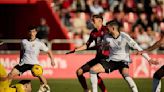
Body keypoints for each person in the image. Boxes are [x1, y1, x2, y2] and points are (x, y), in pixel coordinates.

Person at [89, 20, 158, 92]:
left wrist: (149, 59)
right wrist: (91, 46)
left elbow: (138, 48)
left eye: (107, 28)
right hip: (112, 60)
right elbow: (99, 44)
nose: (106, 29)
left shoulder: (125, 37)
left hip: (123, 60)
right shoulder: (106, 37)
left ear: (113, 28)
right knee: (92, 70)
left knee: (125, 74)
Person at [67, 15, 108, 92]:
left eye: (94, 21)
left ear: (100, 21)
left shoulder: (107, 30)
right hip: (98, 58)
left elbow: (117, 38)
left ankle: (104, 91)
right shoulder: (93, 33)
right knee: (79, 72)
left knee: (94, 72)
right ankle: (86, 90)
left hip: (106, 58)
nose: (92, 23)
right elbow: (87, 45)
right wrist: (75, 50)